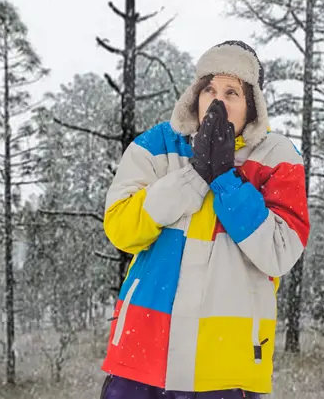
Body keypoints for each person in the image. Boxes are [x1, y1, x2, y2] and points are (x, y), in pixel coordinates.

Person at [99, 40, 310, 399]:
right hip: (143, 350)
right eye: (209, 89)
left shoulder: (278, 156)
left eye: (232, 92)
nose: (217, 102)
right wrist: (194, 174)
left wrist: (226, 180)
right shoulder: (158, 145)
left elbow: (280, 251)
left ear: (253, 104)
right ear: (195, 94)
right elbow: (121, 229)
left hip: (226, 363)